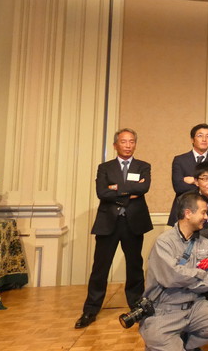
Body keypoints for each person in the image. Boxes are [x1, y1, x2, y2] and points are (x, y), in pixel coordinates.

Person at [76, 128, 153, 329]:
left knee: (134, 266)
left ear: (135, 144)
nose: (128, 145)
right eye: (124, 141)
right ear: (115, 145)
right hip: (108, 222)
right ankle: (90, 310)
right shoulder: (105, 167)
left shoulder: (143, 166)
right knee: (100, 268)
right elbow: (102, 192)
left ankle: (137, 307)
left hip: (133, 222)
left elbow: (143, 188)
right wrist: (129, 192)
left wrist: (116, 187)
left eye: (131, 141)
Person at [139, 192, 208, 351]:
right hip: (165, 309)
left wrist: (184, 278)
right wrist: (200, 274)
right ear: (188, 213)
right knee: (158, 339)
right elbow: (171, 277)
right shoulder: (164, 242)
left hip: (195, 305)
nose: (206, 217)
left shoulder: (205, 244)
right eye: (203, 212)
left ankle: (185, 345)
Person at [167, 161, 208, 307]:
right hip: (187, 250)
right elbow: (180, 231)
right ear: (196, 181)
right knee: (187, 279)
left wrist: (195, 231)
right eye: (205, 178)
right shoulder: (184, 199)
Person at [170, 123, 208, 210]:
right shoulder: (180, 160)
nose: (204, 139)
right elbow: (178, 187)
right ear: (192, 139)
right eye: (200, 136)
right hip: (184, 206)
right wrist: (207, 185)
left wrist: (194, 180)